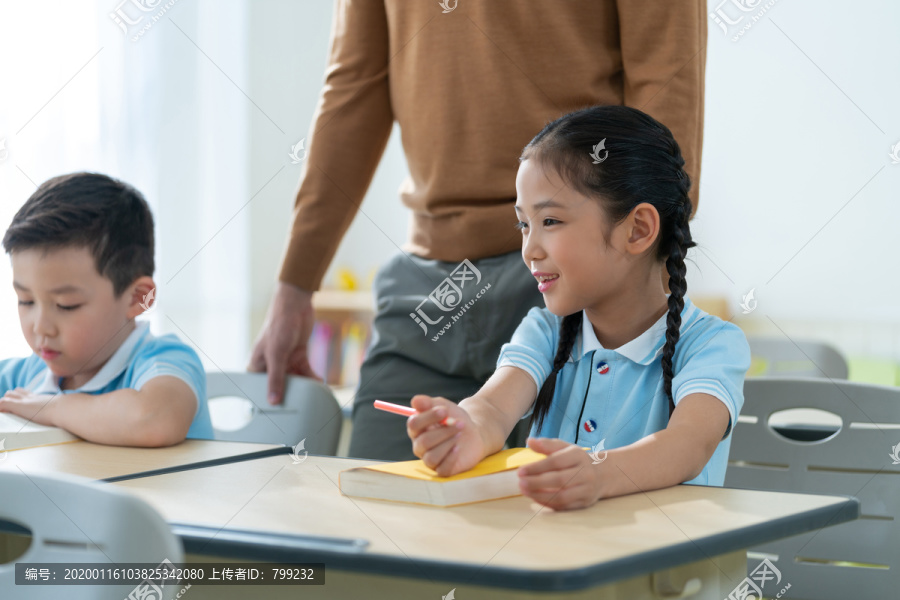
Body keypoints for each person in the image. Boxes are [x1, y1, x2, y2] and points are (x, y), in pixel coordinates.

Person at [250, 1, 708, 460]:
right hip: (430, 286)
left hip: (579, 279)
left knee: (576, 520)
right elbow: (355, 87)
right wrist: (295, 285)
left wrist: (641, 265)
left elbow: (667, 75)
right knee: (381, 509)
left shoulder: (706, 346)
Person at [406, 105, 750, 511]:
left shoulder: (712, 345)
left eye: (549, 221)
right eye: (523, 225)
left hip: (665, 572)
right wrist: (469, 428)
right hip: (560, 563)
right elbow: (494, 407)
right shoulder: (545, 330)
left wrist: (598, 473)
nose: (529, 249)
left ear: (637, 229)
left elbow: (687, 445)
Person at [0, 172, 213, 446]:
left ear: (137, 298)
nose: (40, 326)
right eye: (26, 300)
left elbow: (153, 420)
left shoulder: (164, 361)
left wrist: (49, 406)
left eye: (67, 305)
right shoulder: (27, 374)